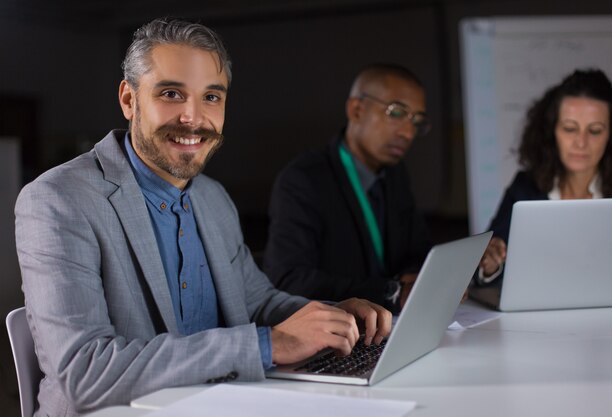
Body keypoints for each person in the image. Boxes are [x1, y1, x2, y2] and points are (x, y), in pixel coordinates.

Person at [14, 18, 391, 417]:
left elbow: (257, 302)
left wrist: (329, 316)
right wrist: (266, 345)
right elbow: (85, 372)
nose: (193, 118)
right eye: (172, 93)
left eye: (212, 97)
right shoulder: (58, 199)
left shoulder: (212, 197)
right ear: (129, 99)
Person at [263, 64, 432, 313]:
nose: (408, 133)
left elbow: (416, 251)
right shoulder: (304, 179)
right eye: (396, 113)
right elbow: (289, 280)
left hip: (393, 325)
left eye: (416, 121)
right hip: (339, 333)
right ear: (356, 109)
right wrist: (390, 292)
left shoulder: (395, 175)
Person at [478, 68, 612, 284]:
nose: (581, 142)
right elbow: (485, 268)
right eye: (569, 129)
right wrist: (489, 264)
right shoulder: (525, 187)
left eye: (594, 131)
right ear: (551, 131)